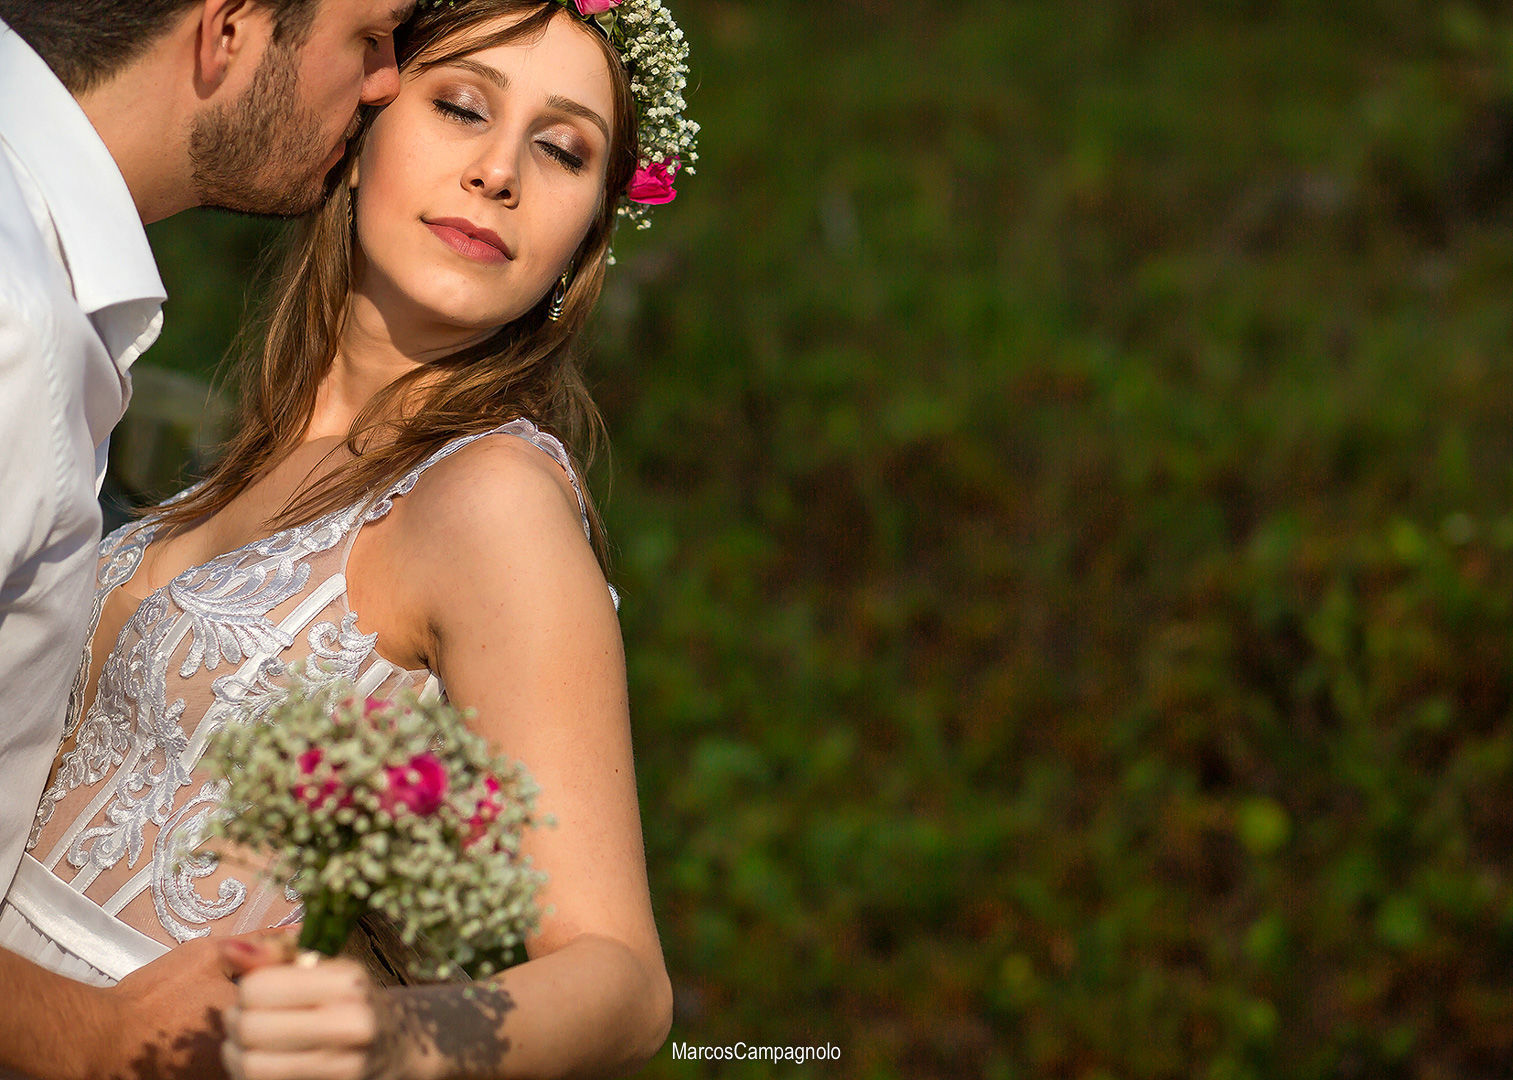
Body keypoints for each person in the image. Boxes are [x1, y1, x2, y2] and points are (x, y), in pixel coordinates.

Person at [2, 0, 697, 1075]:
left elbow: (618, 973)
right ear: (359, 130)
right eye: (462, 107)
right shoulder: (252, 450)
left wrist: (388, 1040)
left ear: (584, 240)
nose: (499, 172)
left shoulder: (492, 500)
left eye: (562, 150)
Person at [0, 0, 412, 1074]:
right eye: (368, 39)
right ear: (226, 31)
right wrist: (76, 1031)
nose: (383, 85)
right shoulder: (11, 325)